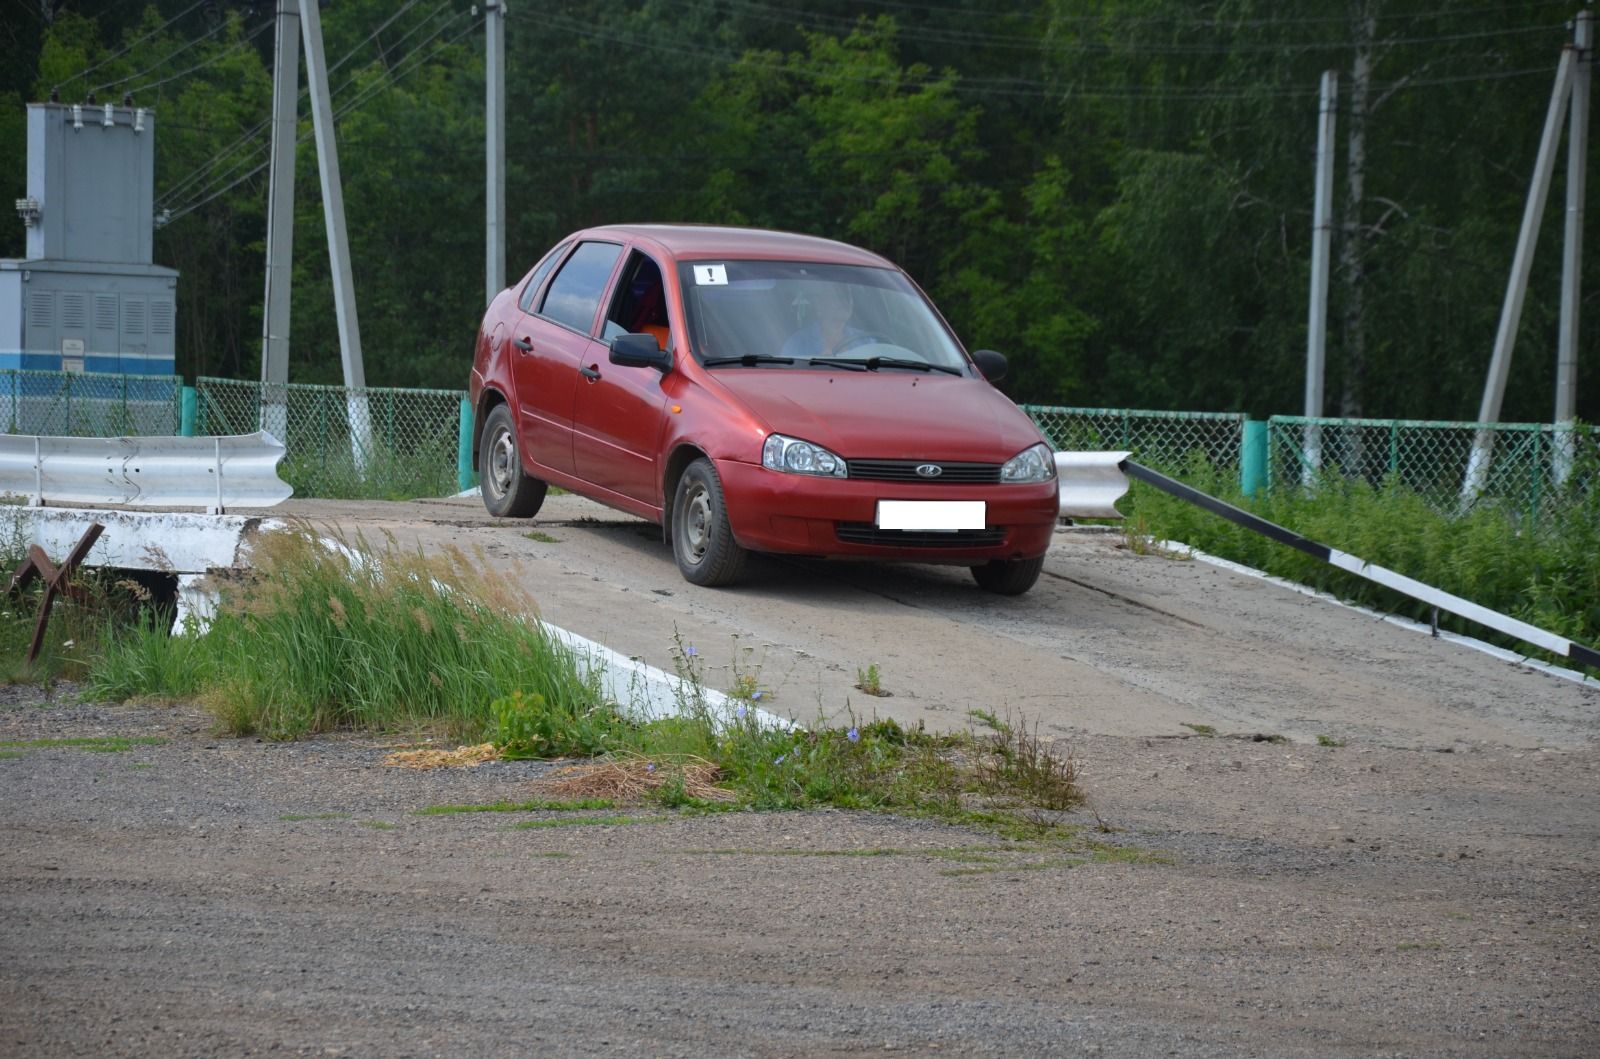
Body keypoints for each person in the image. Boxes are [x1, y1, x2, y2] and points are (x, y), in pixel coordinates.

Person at [780, 282, 867, 359]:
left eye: (847, 296)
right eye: (838, 295)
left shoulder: (865, 340)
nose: (845, 301)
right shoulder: (797, 343)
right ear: (819, 304)